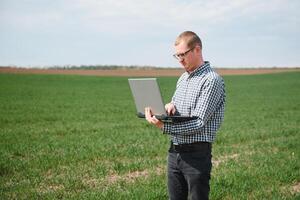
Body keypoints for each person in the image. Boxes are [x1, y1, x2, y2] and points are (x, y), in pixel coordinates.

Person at [145, 31, 225, 200]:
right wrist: (168, 107)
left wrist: (164, 126)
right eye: (177, 55)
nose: (180, 60)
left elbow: (198, 122)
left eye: (183, 55)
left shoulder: (211, 80)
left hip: (197, 154)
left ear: (197, 50)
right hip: (174, 152)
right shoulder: (183, 78)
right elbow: (176, 107)